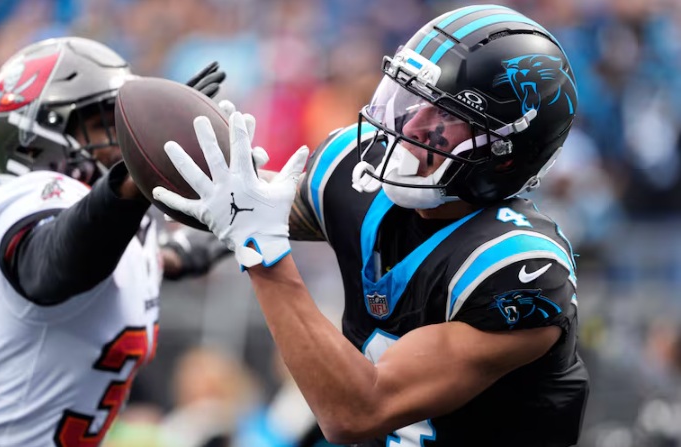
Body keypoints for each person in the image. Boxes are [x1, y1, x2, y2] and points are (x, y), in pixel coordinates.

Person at [153, 5, 588, 446]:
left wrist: (260, 253)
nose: (411, 126)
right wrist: (160, 149)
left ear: (506, 156)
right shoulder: (354, 172)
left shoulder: (520, 271)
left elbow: (357, 411)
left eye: (446, 117)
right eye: (414, 98)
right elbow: (251, 204)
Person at [0, 37, 227, 446]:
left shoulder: (119, 232)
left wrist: (182, 254)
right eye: (102, 123)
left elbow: (116, 256)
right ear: (35, 138)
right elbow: (58, 263)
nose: (122, 138)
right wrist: (133, 177)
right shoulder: (22, 199)